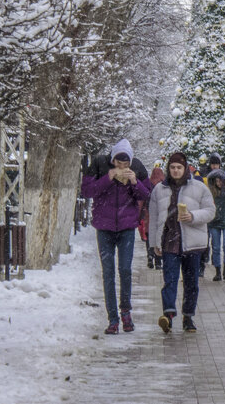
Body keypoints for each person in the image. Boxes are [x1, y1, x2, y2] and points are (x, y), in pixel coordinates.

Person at [80, 138, 150, 334]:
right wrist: (108, 177)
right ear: (112, 160)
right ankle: (113, 318)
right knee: (108, 272)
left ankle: (126, 312)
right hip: (104, 227)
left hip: (127, 227)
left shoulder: (137, 167)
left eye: (125, 164)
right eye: (118, 164)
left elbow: (146, 194)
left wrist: (134, 181)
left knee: (125, 270)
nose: (122, 167)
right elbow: (86, 191)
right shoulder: (100, 164)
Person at [149, 151, 214, 334]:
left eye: (179, 167)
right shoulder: (159, 189)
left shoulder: (199, 188)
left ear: (185, 168)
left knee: (191, 282)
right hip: (169, 241)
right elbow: (153, 217)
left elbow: (210, 211)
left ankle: (188, 316)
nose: (176, 171)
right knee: (169, 280)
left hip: (192, 243)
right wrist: (154, 243)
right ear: (168, 169)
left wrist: (193, 216)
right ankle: (168, 316)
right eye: (172, 167)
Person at [140, 166, 166, 269]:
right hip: (160, 214)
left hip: (148, 215)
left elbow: (143, 198)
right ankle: (159, 261)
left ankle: (150, 257)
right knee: (159, 237)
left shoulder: (148, 184)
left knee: (149, 237)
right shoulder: (164, 185)